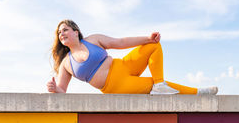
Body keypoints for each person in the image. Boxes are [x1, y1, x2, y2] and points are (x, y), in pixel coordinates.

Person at [47, 19, 218, 95]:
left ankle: (160, 85)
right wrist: (55, 89)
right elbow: (62, 90)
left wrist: (148, 38)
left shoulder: (93, 39)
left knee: (153, 46)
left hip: (123, 65)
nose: (61, 33)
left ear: (76, 32)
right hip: (116, 85)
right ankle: (199, 92)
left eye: (65, 29)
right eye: (59, 32)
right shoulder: (66, 64)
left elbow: (120, 42)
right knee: (149, 84)